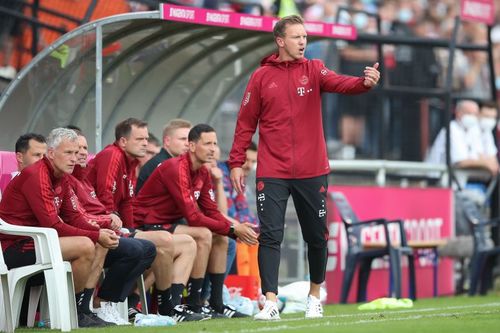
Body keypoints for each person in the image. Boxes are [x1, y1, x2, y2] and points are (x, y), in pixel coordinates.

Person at [228, 15, 380, 320]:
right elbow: (245, 123)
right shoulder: (260, 77)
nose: (303, 42)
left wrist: (364, 83)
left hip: (312, 170)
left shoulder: (314, 69)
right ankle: (269, 301)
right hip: (272, 170)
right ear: (280, 41)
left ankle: (314, 296)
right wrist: (236, 162)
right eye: (296, 37)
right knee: (270, 235)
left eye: (305, 37)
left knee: (316, 236)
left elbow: (341, 83)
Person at [80, 121, 202, 322]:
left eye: (146, 138)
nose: (145, 143)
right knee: (164, 241)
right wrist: (116, 220)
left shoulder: (132, 162)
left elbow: (128, 202)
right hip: (103, 226)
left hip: (121, 227)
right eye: (139, 139)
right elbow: (105, 193)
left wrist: (131, 229)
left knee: (186, 243)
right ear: (123, 141)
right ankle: (110, 303)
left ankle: (169, 305)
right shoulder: (113, 155)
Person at [134, 124, 258, 318]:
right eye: (207, 143)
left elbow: (211, 210)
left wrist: (231, 230)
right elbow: (193, 217)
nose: (213, 148)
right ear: (192, 146)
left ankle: (215, 303)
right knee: (203, 234)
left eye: (215, 143)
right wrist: (233, 227)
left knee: (222, 237)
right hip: (146, 225)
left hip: (168, 224)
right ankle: (192, 303)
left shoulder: (202, 172)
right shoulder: (177, 167)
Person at [0, 128, 121, 327]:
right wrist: (95, 234)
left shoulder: (62, 176)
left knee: (98, 243)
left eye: (76, 153)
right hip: (17, 246)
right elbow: (52, 224)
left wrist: (101, 230)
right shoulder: (36, 175)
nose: (74, 158)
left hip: (41, 241)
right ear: (51, 153)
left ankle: (81, 310)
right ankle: (70, 311)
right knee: (85, 244)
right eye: (68, 153)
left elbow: (73, 216)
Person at [136, 118, 192, 193]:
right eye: (183, 139)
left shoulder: (177, 164)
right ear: (167, 141)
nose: (187, 144)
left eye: (190, 140)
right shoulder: (162, 165)